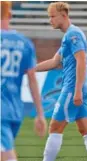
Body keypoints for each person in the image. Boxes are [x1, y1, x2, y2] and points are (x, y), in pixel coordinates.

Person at [35, 2, 87, 161]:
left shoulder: (73, 35)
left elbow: (81, 61)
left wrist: (77, 90)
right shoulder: (70, 36)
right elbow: (53, 62)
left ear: (63, 15)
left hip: (72, 88)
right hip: (79, 88)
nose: (50, 20)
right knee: (86, 129)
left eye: (52, 16)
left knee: (55, 127)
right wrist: (30, 69)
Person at [1, 2, 47, 161]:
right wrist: (40, 113)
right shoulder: (24, 43)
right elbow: (32, 80)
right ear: (10, 15)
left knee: (6, 156)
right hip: (14, 110)